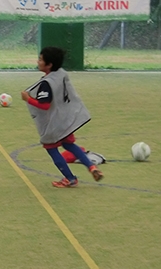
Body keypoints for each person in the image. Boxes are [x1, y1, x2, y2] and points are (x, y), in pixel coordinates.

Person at [20, 46, 104, 188]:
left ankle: (70, 178)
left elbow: (44, 105)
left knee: (51, 149)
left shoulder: (46, 84)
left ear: (49, 65)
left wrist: (27, 98)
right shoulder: (61, 74)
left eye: (41, 59)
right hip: (67, 120)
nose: (38, 61)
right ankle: (91, 167)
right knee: (69, 144)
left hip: (55, 123)